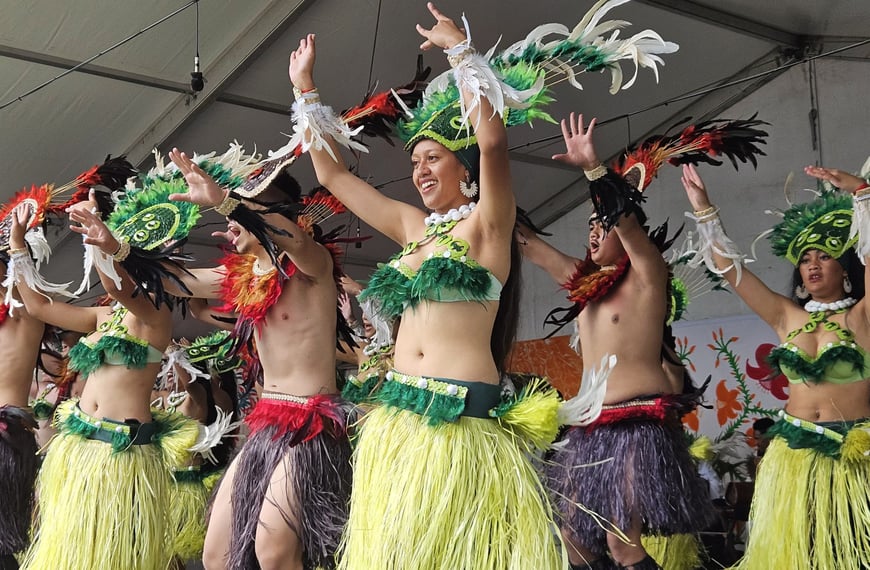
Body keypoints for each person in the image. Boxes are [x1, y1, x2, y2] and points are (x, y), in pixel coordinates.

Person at [285, 2, 579, 566]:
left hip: (461, 423)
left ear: (463, 169)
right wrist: (305, 90)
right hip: (400, 417)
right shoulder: (411, 228)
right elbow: (331, 175)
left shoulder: (489, 226)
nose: (419, 170)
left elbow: (493, 144)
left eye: (433, 158)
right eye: (415, 160)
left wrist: (460, 52)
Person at [162, 156, 354, 570]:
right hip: (266, 423)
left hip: (311, 425)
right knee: (217, 556)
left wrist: (227, 201)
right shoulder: (243, 275)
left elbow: (297, 242)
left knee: (273, 550)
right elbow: (169, 280)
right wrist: (115, 248)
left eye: (245, 206)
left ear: (275, 215)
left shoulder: (312, 267)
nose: (232, 215)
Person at [541, 115, 713, 570]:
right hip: (589, 430)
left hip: (636, 425)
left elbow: (628, 223)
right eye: (590, 225)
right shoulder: (584, 289)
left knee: (621, 543)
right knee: (573, 538)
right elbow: (526, 243)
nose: (594, 231)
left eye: (603, 223)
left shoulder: (648, 277)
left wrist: (593, 167)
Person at [680, 161, 870, 570]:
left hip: (852, 454)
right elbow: (733, 272)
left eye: (824, 256)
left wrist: (862, 194)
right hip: (794, 451)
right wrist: (704, 208)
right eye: (805, 260)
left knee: (851, 553)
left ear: (845, 268)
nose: (813, 265)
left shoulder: (861, 318)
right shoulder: (786, 316)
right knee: (803, 552)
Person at [15, 187, 200, 570]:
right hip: (78, 446)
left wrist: (101, 240)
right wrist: (18, 248)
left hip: (119, 454)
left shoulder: (155, 316)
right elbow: (38, 306)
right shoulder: (103, 318)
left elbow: (118, 285)